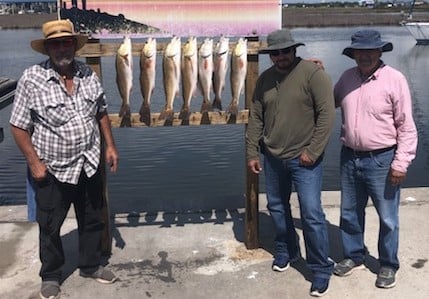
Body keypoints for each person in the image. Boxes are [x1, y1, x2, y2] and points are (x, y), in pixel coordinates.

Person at [9, 19, 119, 299]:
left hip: (89, 161)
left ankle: (91, 265)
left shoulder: (86, 73)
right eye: (55, 43)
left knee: (93, 218)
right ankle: (51, 275)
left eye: (66, 42)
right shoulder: (31, 78)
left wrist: (110, 146)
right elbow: (18, 126)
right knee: (50, 224)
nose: (61, 48)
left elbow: (101, 112)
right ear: (47, 48)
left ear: (74, 45)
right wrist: (35, 163)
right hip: (53, 168)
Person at [246, 28, 335, 297]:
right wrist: (252, 152)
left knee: (311, 213)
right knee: (276, 207)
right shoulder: (264, 80)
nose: (281, 56)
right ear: (270, 55)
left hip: (305, 159)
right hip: (273, 158)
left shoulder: (313, 74)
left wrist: (313, 150)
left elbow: (327, 115)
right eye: (275, 53)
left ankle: (320, 268)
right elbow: (256, 119)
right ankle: (287, 250)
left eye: (285, 51)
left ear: (294, 50)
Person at [333, 29, 418, 289]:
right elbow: (328, 103)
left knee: (388, 218)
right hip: (349, 157)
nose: (365, 56)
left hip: (382, 159)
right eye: (360, 51)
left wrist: (400, 163)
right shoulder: (346, 78)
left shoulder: (395, 79)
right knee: (349, 213)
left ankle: (388, 264)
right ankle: (353, 255)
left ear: (380, 52)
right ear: (354, 54)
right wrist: (314, 73)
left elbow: (406, 126)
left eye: (371, 51)